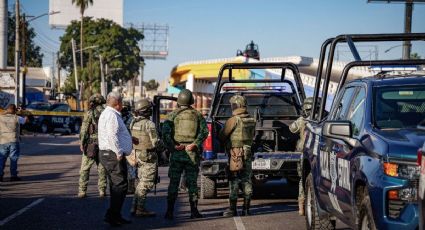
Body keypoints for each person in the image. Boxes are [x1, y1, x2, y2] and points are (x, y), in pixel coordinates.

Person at [163, 89, 209, 219]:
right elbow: (204, 132)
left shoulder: (172, 115)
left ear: (179, 100)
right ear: (191, 101)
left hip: (177, 153)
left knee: (173, 183)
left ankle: (170, 211)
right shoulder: (197, 115)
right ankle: (194, 211)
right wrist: (195, 143)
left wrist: (173, 147)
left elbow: (165, 134)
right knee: (192, 183)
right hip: (192, 153)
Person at [98, 92, 134, 226]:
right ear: (118, 104)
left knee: (116, 185)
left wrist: (129, 139)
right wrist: (119, 152)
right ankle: (112, 215)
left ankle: (115, 215)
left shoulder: (107, 113)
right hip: (112, 154)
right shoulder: (112, 115)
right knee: (120, 185)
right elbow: (112, 135)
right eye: (122, 102)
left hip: (108, 153)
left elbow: (115, 134)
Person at [219, 95, 256, 217]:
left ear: (235, 106)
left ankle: (232, 209)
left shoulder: (233, 120)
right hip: (248, 152)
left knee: (234, 180)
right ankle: (246, 209)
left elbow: (222, 136)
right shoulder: (251, 119)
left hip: (236, 154)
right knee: (247, 180)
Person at [130, 98, 162, 217]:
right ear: (147, 111)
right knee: (146, 183)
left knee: (141, 182)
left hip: (138, 155)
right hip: (149, 156)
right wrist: (165, 147)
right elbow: (156, 143)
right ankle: (140, 208)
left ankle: (134, 206)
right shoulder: (149, 124)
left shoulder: (133, 123)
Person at [77, 94, 107, 198]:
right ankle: (102, 190)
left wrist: (82, 142)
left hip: (91, 144)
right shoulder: (107, 112)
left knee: (85, 168)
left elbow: (84, 129)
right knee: (102, 168)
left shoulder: (90, 112)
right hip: (104, 144)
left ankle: (82, 191)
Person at [289, 97, 314, 216]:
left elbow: (291, 129)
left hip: (303, 153)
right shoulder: (318, 119)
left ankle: (301, 208)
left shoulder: (301, 120)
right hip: (314, 154)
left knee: (302, 179)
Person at [0, 104, 27, 182]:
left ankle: (0, 175)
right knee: (13, 158)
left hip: (3, 140)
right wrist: (23, 114)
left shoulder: (0, 117)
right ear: (15, 110)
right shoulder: (17, 117)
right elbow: (26, 121)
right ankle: (13, 176)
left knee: (2, 158)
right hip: (13, 140)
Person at [122, 100, 137, 194]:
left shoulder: (131, 118)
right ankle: (127, 187)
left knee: (131, 166)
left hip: (128, 145)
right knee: (128, 167)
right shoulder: (120, 117)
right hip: (125, 145)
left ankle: (130, 187)